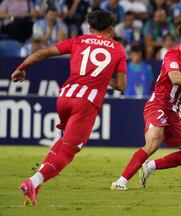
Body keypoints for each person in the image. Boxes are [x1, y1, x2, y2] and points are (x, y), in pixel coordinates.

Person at [12, 10, 127, 206]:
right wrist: (103, 80)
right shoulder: (118, 49)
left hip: (64, 97)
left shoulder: (78, 41)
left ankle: (38, 178)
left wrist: (20, 68)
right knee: (70, 150)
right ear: (111, 30)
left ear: (90, 28)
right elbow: (122, 86)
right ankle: (33, 181)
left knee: (64, 141)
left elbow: (41, 53)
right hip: (86, 102)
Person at [111, 22, 181, 190]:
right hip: (158, 104)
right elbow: (175, 78)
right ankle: (121, 181)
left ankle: (150, 166)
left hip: (174, 113)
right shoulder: (171, 56)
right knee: (154, 142)